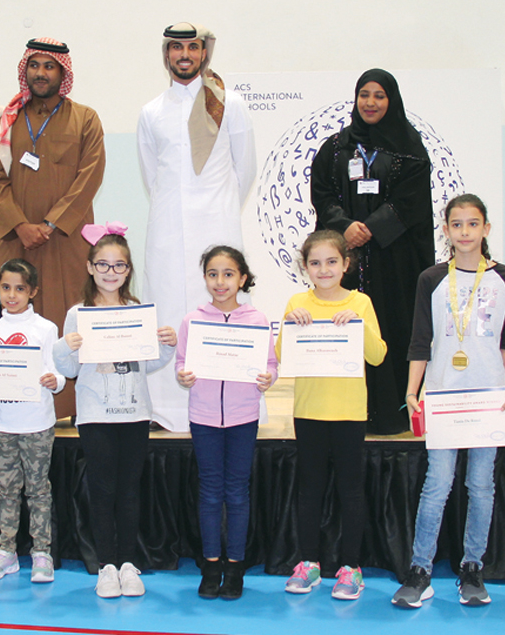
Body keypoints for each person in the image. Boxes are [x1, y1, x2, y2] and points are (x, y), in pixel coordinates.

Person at [393, 194, 505, 608]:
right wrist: (413, 391)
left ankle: (472, 568)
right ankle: (420, 569)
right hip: (446, 397)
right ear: (445, 230)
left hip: (488, 399)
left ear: (486, 229)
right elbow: (420, 341)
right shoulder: (431, 278)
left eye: (473, 223)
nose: (465, 232)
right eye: (457, 224)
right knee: (437, 485)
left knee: (481, 485)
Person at [138, 22, 257, 432]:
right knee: (169, 308)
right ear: (166, 54)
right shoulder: (151, 111)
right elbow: (151, 173)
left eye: (192, 47)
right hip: (168, 229)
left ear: (204, 53)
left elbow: (245, 168)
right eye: (176, 47)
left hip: (217, 224)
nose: (184, 54)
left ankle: (226, 409)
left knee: (218, 311)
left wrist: (218, 209)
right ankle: (166, 409)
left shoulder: (231, 105)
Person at [53, 225, 177, 598]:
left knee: (129, 491)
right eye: (103, 265)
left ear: (128, 271)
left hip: (135, 413)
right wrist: (66, 347)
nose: (111, 272)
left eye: (119, 266)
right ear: (90, 267)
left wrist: (167, 345)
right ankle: (106, 566)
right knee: (103, 490)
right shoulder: (78, 314)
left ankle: (127, 564)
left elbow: (148, 362)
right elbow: (70, 369)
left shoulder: (138, 310)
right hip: (95, 415)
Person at [0, 37, 106, 419]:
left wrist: (52, 224)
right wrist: (20, 225)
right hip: (18, 240)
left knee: (65, 314)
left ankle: (70, 406)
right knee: (18, 314)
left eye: (49, 66)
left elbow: (90, 177)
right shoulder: (9, 119)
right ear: (25, 70)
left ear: (63, 72)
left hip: (66, 240)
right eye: (34, 65)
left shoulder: (85, 118)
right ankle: (18, 399)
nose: (41, 73)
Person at [310, 68, 434, 435]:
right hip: (347, 260)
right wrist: (344, 226)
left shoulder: (410, 148)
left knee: (390, 329)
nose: (371, 102)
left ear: (391, 100)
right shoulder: (336, 148)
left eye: (379, 95)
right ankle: (346, 415)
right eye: (364, 94)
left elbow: (411, 202)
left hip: (393, 261)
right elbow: (322, 193)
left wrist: (372, 229)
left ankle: (390, 414)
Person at [278, 230, 387, 600]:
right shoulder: (296, 301)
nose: (323, 269)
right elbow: (282, 356)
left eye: (331, 261)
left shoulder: (360, 303)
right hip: (308, 411)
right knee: (309, 489)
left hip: (349, 412)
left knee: (350, 490)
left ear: (345, 263)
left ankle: (351, 567)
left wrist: (356, 326)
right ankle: (309, 564)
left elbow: (378, 354)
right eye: (315, 262)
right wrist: (291, 323)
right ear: (305, 267)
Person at [175, 246, 277, 600]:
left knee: (236, 492)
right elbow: (182, 362)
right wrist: (184, 376)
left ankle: (235, 567)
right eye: (213, 274)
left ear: (242, 278)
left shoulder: (258, 319)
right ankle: (211, 565)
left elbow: (270, 365)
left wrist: (267, 378)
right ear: (205, 278)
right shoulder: (193, 320)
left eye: (228, 274)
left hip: (243, 417)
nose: (221, 281)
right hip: (203, 417)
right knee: (209, 491)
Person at [0, 258, 65, 583]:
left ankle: (42, 552)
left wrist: (53, 381)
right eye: (5, 288)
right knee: (7, 490)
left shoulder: (45, 329)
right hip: (2, 423)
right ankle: (7, 550)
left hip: (36, 423)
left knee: (39, 490)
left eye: (19, 288)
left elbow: (56, 370)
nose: (11, 295)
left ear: (33, 292)